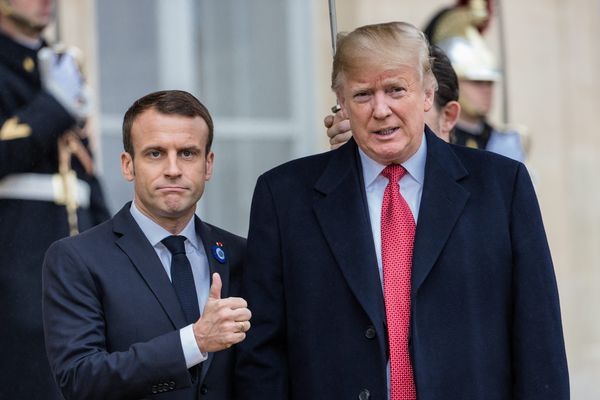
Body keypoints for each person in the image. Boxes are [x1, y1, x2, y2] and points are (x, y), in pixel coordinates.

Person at [235, 21, 568, 399]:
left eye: (395, 89)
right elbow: (262, 355)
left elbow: (539, 339)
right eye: (362, 94)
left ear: (427, 94)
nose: (381, 109)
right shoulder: (284, 196)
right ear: (341, 102)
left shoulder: (501, 187)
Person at [43, 90, 251, 399]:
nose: (173, 169)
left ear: (208, 165)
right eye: (155, 153)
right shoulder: (77, 258)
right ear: (128, 165)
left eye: (187, 153)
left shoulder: (241, 254)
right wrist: (193, 342)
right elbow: (80, 379)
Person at [0, 0, 109, 397]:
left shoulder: (56, 66)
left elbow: (83, 175)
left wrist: (113, 249)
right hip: (13, 266)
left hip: (67, 259)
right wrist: (53, 107)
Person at [424, 0, 527, 161]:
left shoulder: (507, 142)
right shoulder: (432, 138)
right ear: (453, 81)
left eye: (490, 83)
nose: (486, 90)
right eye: (476, 82)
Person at [325, 45, 461, 147]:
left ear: (448, 116)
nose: (380, 112)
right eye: (364, 94)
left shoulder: (479, 178)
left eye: (397, 92)